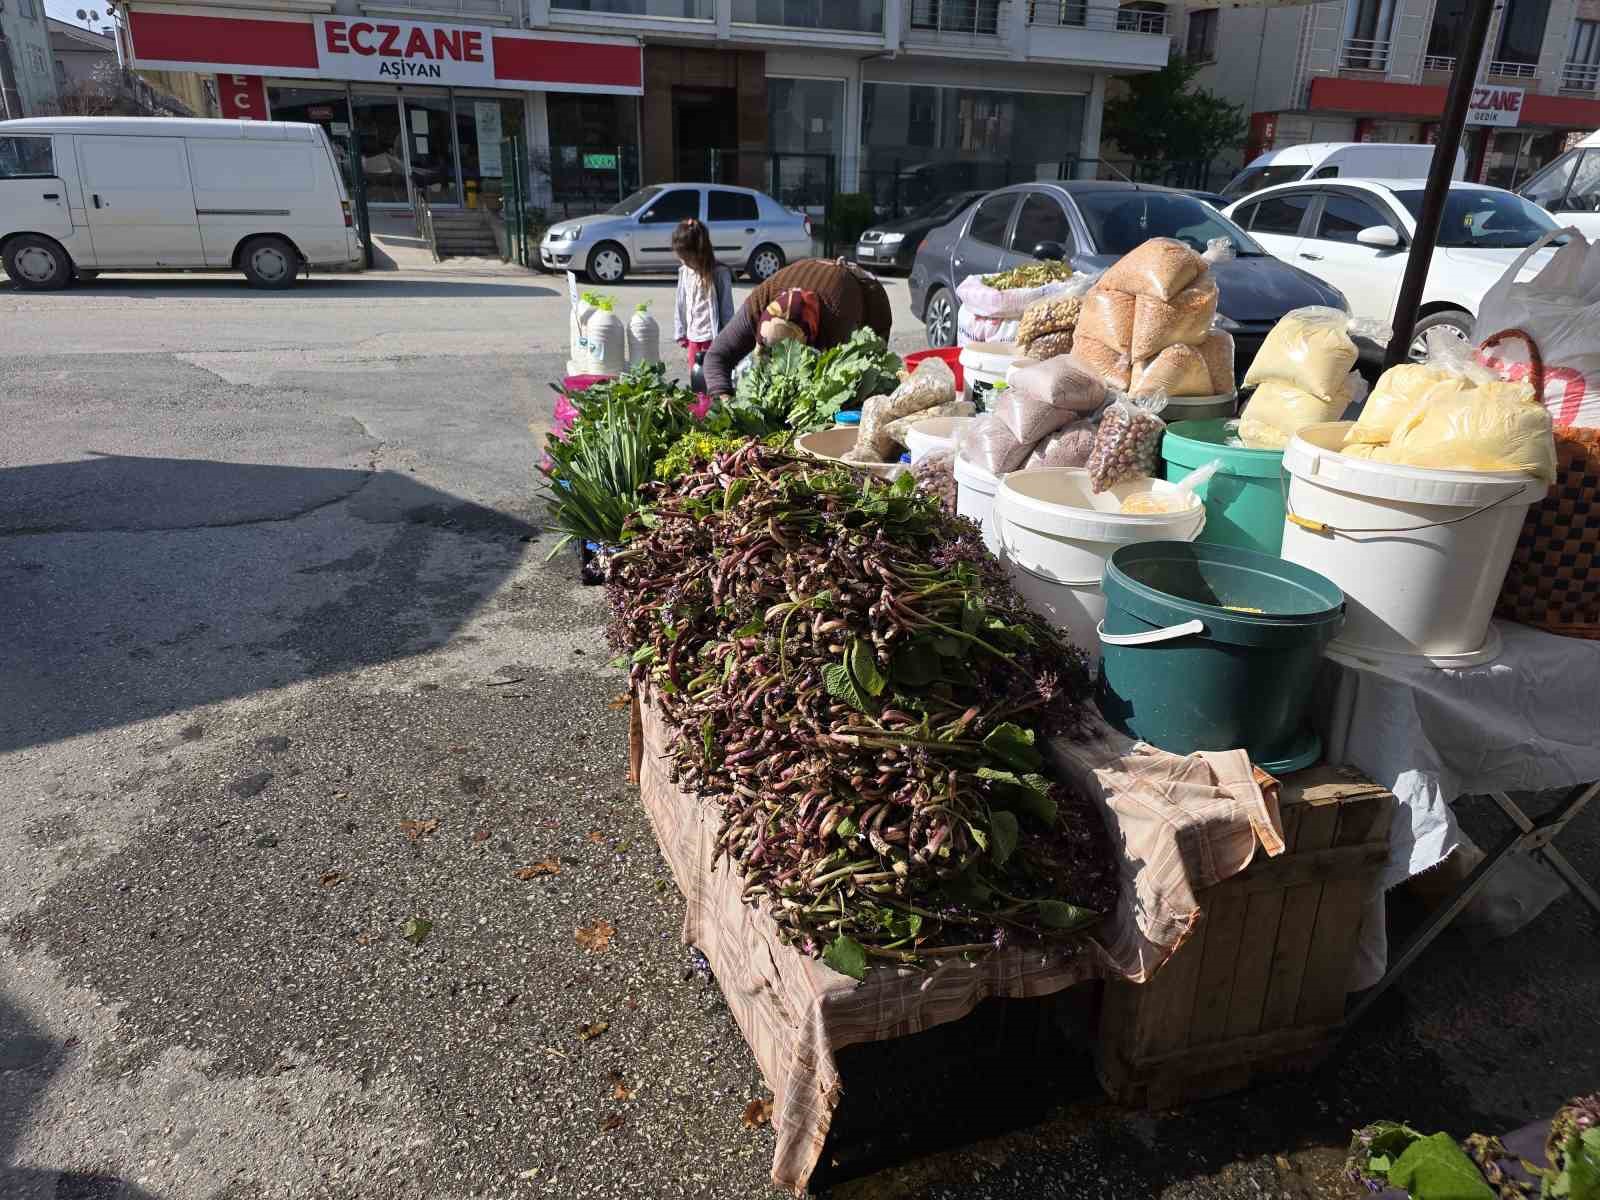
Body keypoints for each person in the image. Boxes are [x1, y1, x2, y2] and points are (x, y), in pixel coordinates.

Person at [700, 257, 894, 400]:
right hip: (805, 273)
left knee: (866, 384)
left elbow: (836, 388)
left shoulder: (839, 324)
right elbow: (716, 356)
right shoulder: (761, 300)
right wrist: (725, 400)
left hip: (868, 296)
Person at [671, 219, 735, 381]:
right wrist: (680, 331)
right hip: (693, 338)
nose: (683, 262)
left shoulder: (719, 273)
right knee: (696, 379)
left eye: (686, 258)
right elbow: (681, 303)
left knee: (713, 379)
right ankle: (700, 405)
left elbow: (727, 309)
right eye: (681, 258)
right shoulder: (684, 271)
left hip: (713, 339)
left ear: (699, 253)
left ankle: (712, 405)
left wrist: (729, 339)